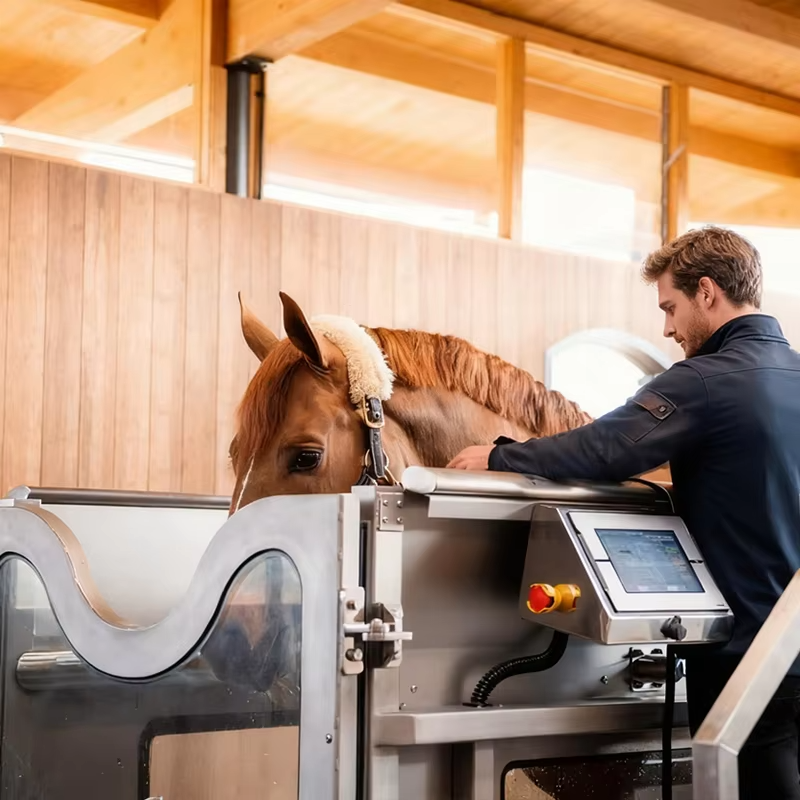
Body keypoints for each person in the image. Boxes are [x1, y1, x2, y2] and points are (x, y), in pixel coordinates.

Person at [448, 225, 800, 799]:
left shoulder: (703, 381)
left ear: (707, 292)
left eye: (671, 307)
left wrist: (500, 456)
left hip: (749, 662)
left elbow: (605, 449)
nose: (667, 328)